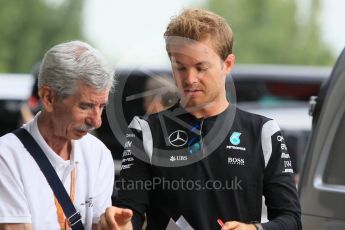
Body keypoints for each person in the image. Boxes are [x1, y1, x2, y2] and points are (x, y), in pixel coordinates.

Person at [100, 9, 301, 230]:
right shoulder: (145, 130)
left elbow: (290, 219)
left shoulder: (262, 131)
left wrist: (254, 229)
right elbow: (131, 212)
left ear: (228, 64)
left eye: (201, 67)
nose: (190, 79)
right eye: (180, 67)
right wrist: (120, 224)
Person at [0, 41, 116, 229]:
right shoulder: (6, 156)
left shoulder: (99, 154)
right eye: (85, 106)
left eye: (101, 107)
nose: (97, 122)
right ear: (48, 98)